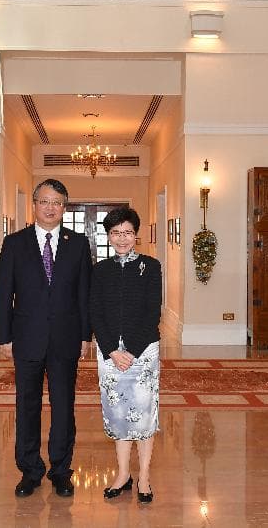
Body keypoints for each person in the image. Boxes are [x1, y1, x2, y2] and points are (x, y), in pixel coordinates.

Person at [0, 178, 92, 498]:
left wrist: (85, 335)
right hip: (26, 338)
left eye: (58, 203)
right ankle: (30, 470)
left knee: (63, 406)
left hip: (66, 338)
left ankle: (61, 471)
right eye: (45, 201)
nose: (51, 208)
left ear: (64, 207)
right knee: (27, 405)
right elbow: (3, 293)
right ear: (34, 204)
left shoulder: (78, 244)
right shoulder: (14, 243)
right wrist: (4, 336)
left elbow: (84, 293)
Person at [89, 207, 162, 504]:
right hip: (109, 354)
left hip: (143, 353)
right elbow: (95, 312)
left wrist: (130, 351)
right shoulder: (99, 270)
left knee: (144, 416)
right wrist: (111, 350)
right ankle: (122, 474)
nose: (122, 238)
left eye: (127, 232)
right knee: (118, 415)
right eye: (116, 233)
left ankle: (143, 476)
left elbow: (152, 312)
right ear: (108, 236)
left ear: (136, 235)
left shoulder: (151, 266)